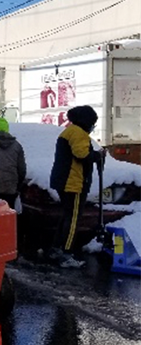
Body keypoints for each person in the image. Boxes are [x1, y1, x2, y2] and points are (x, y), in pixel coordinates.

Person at [49, 105, 104, 268]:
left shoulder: (69, 131)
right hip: (73, 182)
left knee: (66, 216)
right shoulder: (78, 133)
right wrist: (97, 155)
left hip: (65, 181)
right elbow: (82, 155)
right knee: (73, 219)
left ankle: (56, 248)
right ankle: (66, 253)